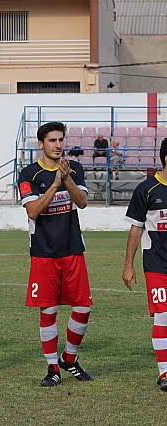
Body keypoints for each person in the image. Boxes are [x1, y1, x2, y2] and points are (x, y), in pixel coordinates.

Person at [17, 121, 93, 387]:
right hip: (44, 253)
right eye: (52, 140)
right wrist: (55, 184)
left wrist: (67, 178)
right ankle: (52, 368)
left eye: (61, 140)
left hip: (72, 249)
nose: (58, 145)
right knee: (48, 310)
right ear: (41, 144)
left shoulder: (76, 169)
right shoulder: (28, 174)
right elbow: (33, 211)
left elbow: (82, 202)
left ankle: (69, 358)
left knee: (83, 308)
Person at [123, 137, 167, 392]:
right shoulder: (146, 190)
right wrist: (128, 265)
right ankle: (164, 373)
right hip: (157, 265)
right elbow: (135, 230)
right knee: (162, 316)